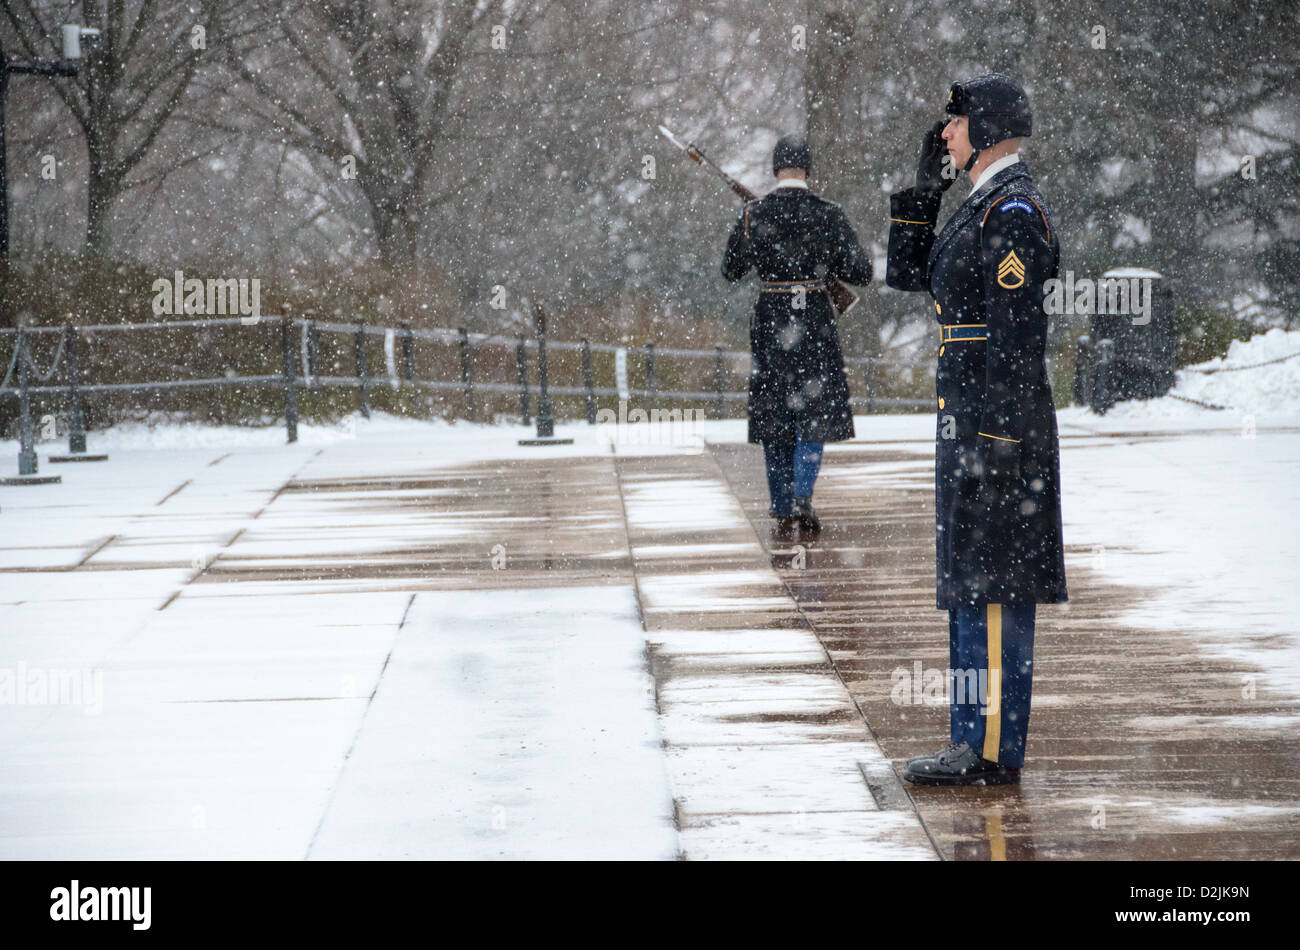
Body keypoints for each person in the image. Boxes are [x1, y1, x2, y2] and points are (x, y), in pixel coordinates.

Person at [885, 74, 1067, 785]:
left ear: (985, 128)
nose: (945, 133)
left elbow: (1017, 340)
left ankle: (991, 752)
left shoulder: (1013, 209)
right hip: (968, 418)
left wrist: (999, 440)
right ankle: (969, 741)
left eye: (954, 123)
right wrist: (923, 189)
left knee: (993, 587)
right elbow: (907, 278)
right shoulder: (979, 203)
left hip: (998, 424)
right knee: (968, 582)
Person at [722, 134, 873, 542]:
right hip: (815, 324)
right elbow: (861, 272)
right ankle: (803, 493)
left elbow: (731, 270)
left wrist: (747, 224)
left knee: (776, 417)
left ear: (775, 169)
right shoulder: (829, 213)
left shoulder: (756, 212)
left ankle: (782, 503)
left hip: (772, 324)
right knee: (813, 413)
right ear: (808, 168)